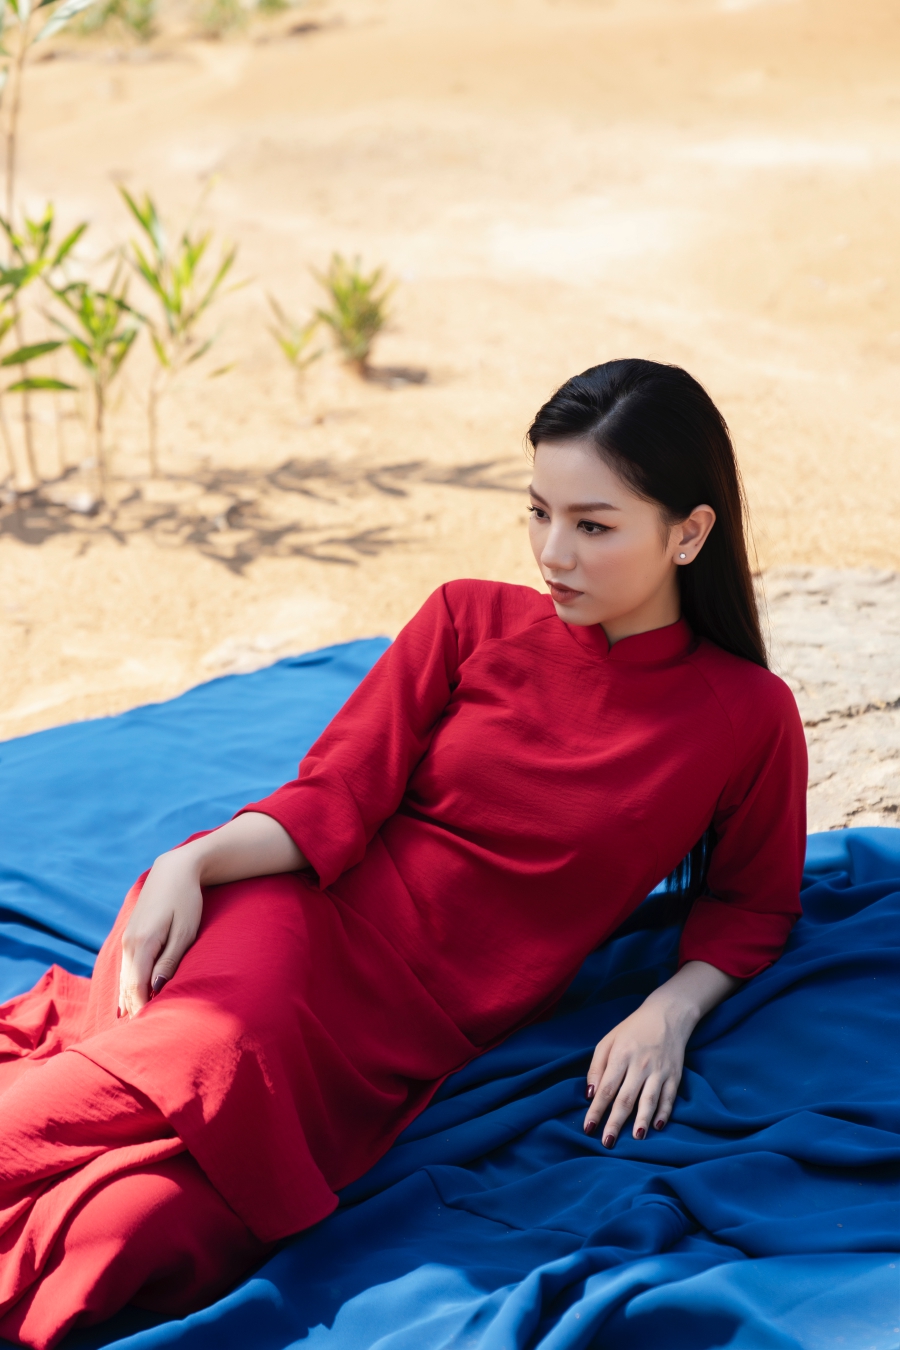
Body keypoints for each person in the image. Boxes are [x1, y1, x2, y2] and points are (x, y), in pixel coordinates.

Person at [0, 359, 807, 1348]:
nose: (553, 553)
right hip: (296, 925)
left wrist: (667, 1013)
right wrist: (191, 865)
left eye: (593, 526)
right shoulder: (468, 619)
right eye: (538, 512)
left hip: (405, 1036)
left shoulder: (746, 717)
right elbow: (338, 791)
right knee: (207, 1046)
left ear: (689, 532)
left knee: (133, 1233)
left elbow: (754, 906)